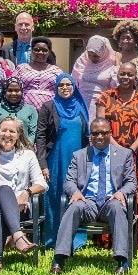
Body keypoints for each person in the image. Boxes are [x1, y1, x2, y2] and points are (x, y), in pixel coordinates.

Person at [52, 117, 135, 275]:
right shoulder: (80, 155)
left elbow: (131, 182)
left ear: (110, 133)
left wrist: (121, 192)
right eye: (95, 133)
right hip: (87, 201)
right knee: (73, 208)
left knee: (118, 208)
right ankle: (59, 259)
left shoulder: (124, 155)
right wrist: (75, 192)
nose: (100, 137)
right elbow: (69, 181)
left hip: (111, 200)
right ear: (90, 135)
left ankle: (122, 261)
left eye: (104, 133)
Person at [95, 62, 138, 257]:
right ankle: (108, 238)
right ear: (117, 75)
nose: (125, 77)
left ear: (136, 77)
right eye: (122, 74)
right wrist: (117, 147)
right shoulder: (105, 97)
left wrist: (130, 149)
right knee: (112, 192)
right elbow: (100, 124)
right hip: (109, 154)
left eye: (130, 75)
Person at [0, 117, 47, 273]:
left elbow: (42, 183)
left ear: (18, 135)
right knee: (3, 190)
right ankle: (18, 236)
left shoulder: (28, 155)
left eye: (12, 131)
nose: (7, 134)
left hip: (18, 207)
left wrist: (27, 192)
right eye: (3, 130)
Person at [36, 74, 90, 247]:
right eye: (61, 85)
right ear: (56, 88)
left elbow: (87, 136)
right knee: (55, 195)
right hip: (55, 159)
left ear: (74, 87)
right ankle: (53, 237)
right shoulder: (48, 106)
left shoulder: (81, 107)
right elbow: (41, 137)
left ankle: (76, 237)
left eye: (68, 85)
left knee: (76, 194)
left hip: (77, 160)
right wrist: (43, 164)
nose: (65, 88)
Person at [0, 77, 38, 145]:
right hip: (0, 150)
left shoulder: (31, 109)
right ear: (5, 91)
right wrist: (1, 149)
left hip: (24, 150)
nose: (13, 93)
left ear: (21, 92)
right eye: (10, 90)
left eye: (17, 90)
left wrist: (25, 149)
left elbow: (33, 133)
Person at [14, 35, 60, 112]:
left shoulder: (57, 71)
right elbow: (11, 86)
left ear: (49, 52)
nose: (40, 52)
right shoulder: (21, 68)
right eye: (37, 49)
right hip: (24, 110)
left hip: (50, 111)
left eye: (44, 50)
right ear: (32, 51)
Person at [71, 35, 119, 107]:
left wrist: (117, 64)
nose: (92, 58)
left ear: (104, 52)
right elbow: (73, 82)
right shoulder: (82, 61)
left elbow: (115, 86)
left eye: (96, 56)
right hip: (81, 104)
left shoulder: (111, 63)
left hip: (102, 104)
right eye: (89, 55)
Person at [112, 19, 138, 93]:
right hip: (116, 99)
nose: (125, 40)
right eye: (123, 38)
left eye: (129, 38)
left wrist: (133, 97)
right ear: (119, 40)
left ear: (136, 40)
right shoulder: (113, 57)